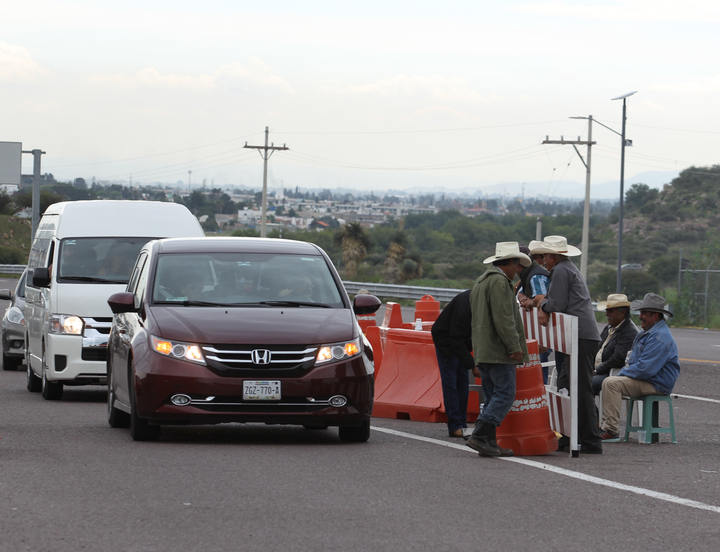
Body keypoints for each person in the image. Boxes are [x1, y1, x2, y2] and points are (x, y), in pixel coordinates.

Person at [534, 235, 603, 454]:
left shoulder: (562, 270)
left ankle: (590, 439)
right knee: (567, 384)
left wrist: (541, 304)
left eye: (545, 256)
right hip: (580, 335)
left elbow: (557, 303)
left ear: (552, 256)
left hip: (581, 335)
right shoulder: (566, 268)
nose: (544, 260)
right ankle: (571, 436)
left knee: (579, 388)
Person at [466, 242, 530, 458]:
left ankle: (489, 442)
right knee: (505, 393)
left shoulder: (481, 282)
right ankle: (481, 434)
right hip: (497, 349)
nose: (517, 269)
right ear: (510, 263)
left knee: (493, 395)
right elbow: (504, 318)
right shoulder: (500, 283)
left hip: (484, 348)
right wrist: (514, 345)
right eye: (516, 264)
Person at [599, 293, 681, 442]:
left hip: (657, 383)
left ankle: (610, 429)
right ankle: (605, 426)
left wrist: (622, 373)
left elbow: (644, 369)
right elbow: (634, 361)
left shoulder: (659, 337)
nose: (640, 316)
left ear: (655, 316)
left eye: (644, 313)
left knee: (611, 383)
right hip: (649, 379)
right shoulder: (648, 332)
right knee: (609, 381)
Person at [431, 290, 479, 438]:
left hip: (461, 342)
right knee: (451, 383)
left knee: (463, 384)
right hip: (446, 341)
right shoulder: (466, 305)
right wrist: (472, 365)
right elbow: (456, 339)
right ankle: (455, 425)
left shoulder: (481, 301)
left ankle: (462, 423)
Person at [516, 243, 552, 382]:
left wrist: (530, 302)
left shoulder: (536, 275)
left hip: (541, 332)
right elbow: (520, 292)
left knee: (538, 367)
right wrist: (523, 298)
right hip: (534, 331)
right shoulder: (529, 274)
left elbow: (541, 298)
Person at [592, 294, 639, 395]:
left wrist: (596, 371)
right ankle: (590, 411)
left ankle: (591, 411)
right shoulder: (609, 328)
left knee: (585, 384)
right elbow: (596, 349)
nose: (607, 314)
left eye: (610, 311)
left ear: (622, 313)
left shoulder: (629, 332)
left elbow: (618, 359)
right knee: (573, 381)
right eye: (607, 311)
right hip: (601, 372)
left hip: (613, 375)